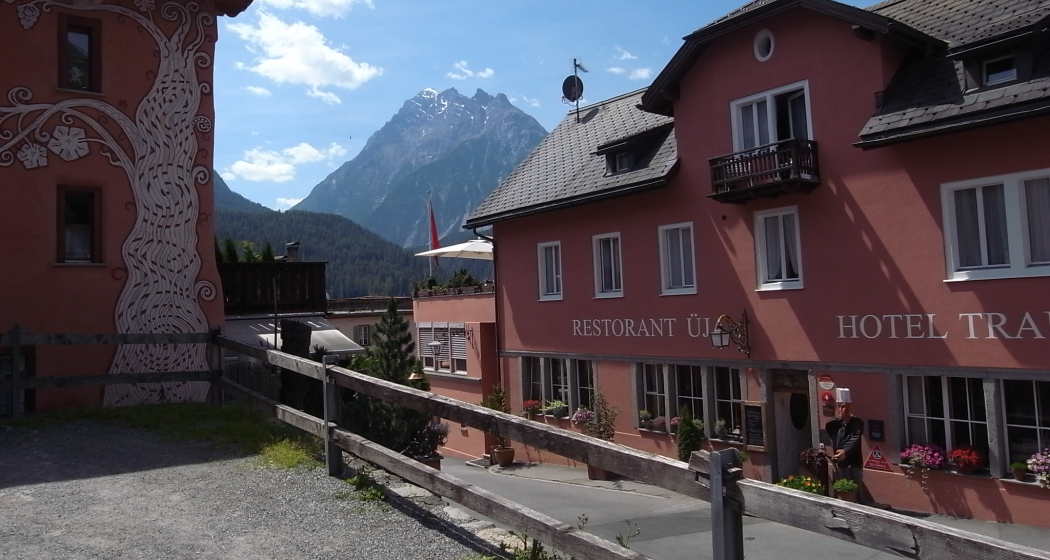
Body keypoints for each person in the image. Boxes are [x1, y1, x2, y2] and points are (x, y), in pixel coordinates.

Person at [825, 387, 864, 499]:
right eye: (839, 406)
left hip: (854, 462)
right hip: (840, 462)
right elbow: (832, 437)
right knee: (840, 488)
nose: (840, 410)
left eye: (843, 406)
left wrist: (845, 452)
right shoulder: (835, 424)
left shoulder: (857, 423)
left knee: (856, 490)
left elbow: (854, 438)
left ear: (849, 406)